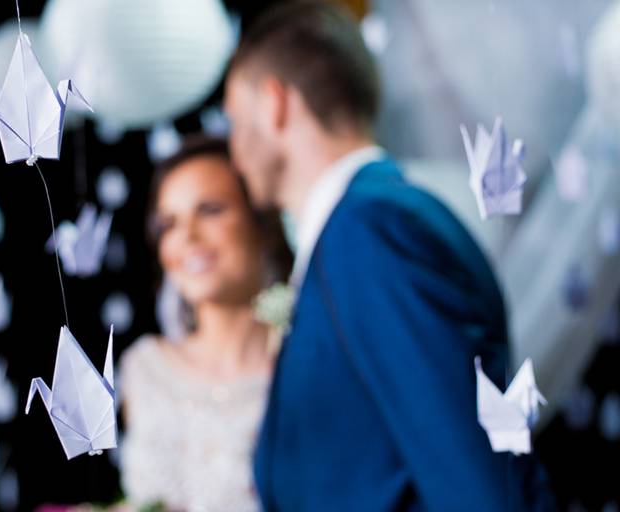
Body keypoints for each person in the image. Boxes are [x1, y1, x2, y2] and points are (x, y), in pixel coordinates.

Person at [223, 1, 556, 510]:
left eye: (235, 121)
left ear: (274, 105)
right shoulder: (361, 230)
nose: (235, 152)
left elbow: (474, 486)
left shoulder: (371, 232)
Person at [118, 135, 292, 512]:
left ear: (259, 221)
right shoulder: (144, 370)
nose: (188, 237)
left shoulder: (303, 367)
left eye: (210, 210)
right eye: (169, 224)